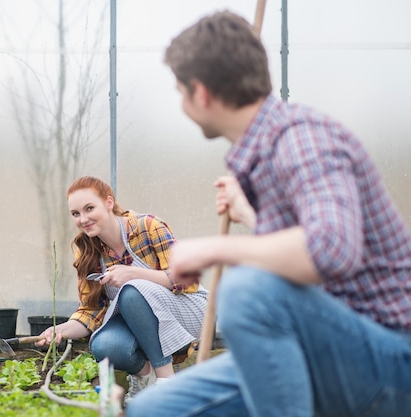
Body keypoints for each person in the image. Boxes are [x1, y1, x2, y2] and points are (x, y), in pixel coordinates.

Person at [127, 10, 411, 417]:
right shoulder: (269, 150)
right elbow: (312, 259)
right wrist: (250, 216)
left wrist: (214, 250)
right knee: (157, 408)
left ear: (202, 93)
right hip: (326, 349)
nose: (183, 105)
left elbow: (331, 249)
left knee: (247, 292)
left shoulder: (300, 139)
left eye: (181, 92)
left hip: (391, 358)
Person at [36, 176, 208, 403]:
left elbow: (188, 281)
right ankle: (145, 377)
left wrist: (134, 274)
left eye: (89, 208)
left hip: (188, 310)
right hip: (141, 322)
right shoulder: (87, 250)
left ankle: (166, 382)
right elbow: (91, 311)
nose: (83, 219)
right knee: (104, 345)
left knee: (131, 291)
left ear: (108, 202)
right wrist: (60, 330)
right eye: (76, 214)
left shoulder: (147, 227)